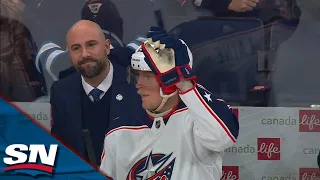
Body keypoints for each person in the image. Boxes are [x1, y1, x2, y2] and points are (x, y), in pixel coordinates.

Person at [100, 27, 239, 180]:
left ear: (172, 80)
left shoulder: (197, 120)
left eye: (147, 76)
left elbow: (223, 138)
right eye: (138, 75)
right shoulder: (119, 130)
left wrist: (185, 83)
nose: (138, 84)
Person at [50, 20, 143, 166]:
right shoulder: (61, 91)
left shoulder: (137, 85)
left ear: (106, 47)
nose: (85, 54)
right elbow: (60, 147)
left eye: (91, 45)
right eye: (76, 48)